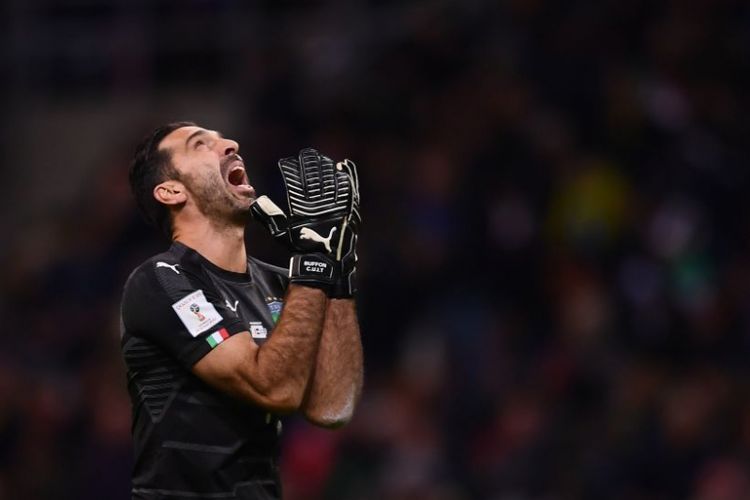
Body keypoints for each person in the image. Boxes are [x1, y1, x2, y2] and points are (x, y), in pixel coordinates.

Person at [120, 121, 363, 500]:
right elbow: (272, 388)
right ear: (171, 191)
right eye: (201, 145)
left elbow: (332, 408)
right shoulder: (161, 280)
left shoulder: (286, 283)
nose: (232, 144)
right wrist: (313, 263)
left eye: (224, 139)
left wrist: (338, 270)